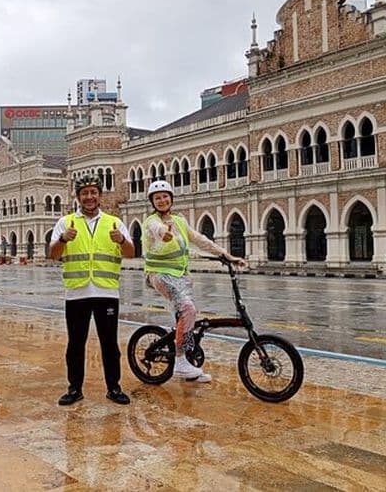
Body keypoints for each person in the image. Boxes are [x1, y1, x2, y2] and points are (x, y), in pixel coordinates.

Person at [143, 180, 246, 382]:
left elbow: (201, 240)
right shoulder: (151, 222)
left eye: (165, 196)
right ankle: (180, 362)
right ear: (152, 202)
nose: (162, 200)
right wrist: (165, 233)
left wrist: (226, 255)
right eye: (157, 198)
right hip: (159, 275)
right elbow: (157, 230)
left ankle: (188, 362)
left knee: (186, 318)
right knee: (188, 309)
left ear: (171, 199)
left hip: (181, 276)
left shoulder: (180, 221)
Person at [49, 174, 135, 406]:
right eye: (84, 193)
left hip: (106, 292)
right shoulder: (65, 223)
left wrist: (121, 241)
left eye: (93, 192)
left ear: (99, 195)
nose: (89, 197)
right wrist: (63, 240)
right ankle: (75, 388)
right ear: (78, 197)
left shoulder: (114, 223)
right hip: (77, 293)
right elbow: (53, 254)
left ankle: (114, 387)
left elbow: (130, 253)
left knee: (109, 343)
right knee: (76, 343)